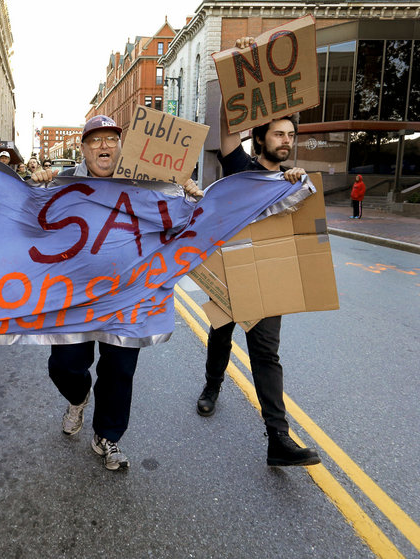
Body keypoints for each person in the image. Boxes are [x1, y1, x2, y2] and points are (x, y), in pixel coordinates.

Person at [28, 115, 202, 471]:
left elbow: (179, 224)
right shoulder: (61, 185)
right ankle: (78, 397)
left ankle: (107, 436)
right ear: (83, 149)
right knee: (64, 366)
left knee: (119, 370)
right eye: (95, 140)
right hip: (73, 300)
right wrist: (36, 188)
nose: (104, 146)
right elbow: (29, 223)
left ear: (122, 147)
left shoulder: (144, 186)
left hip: (128, 300)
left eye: (111, 139)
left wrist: (188, 198)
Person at [196, 36, 321, 468]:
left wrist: (300, 184)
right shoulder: (241, 167)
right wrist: (241, 67)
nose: (286, 141)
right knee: (221, 334)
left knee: (266, 353)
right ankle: (212, 386)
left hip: (268, 276)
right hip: (230, 269)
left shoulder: (292, 180)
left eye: (290, 135)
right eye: (279, 133)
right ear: (262, 136)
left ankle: (278, 439)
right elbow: (228, 129)